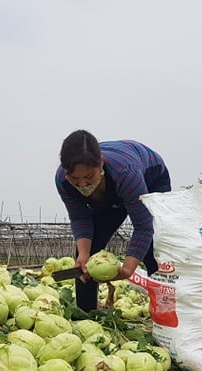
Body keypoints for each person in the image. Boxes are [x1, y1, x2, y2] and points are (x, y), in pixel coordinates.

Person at [55, 129, 172, 312]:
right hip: (112, 193)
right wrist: (84, 254)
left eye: (88, 177)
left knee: (154, 247)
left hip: (151, 176)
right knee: (88, 252)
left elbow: (143, 227)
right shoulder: (63, 181)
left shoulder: (126, 174)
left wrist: (128, 268)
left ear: (100, 164)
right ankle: (87, 312)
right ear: (66, 172)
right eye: (75, 179)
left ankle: (164, 310)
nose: (83, 185)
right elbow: (80, 218)